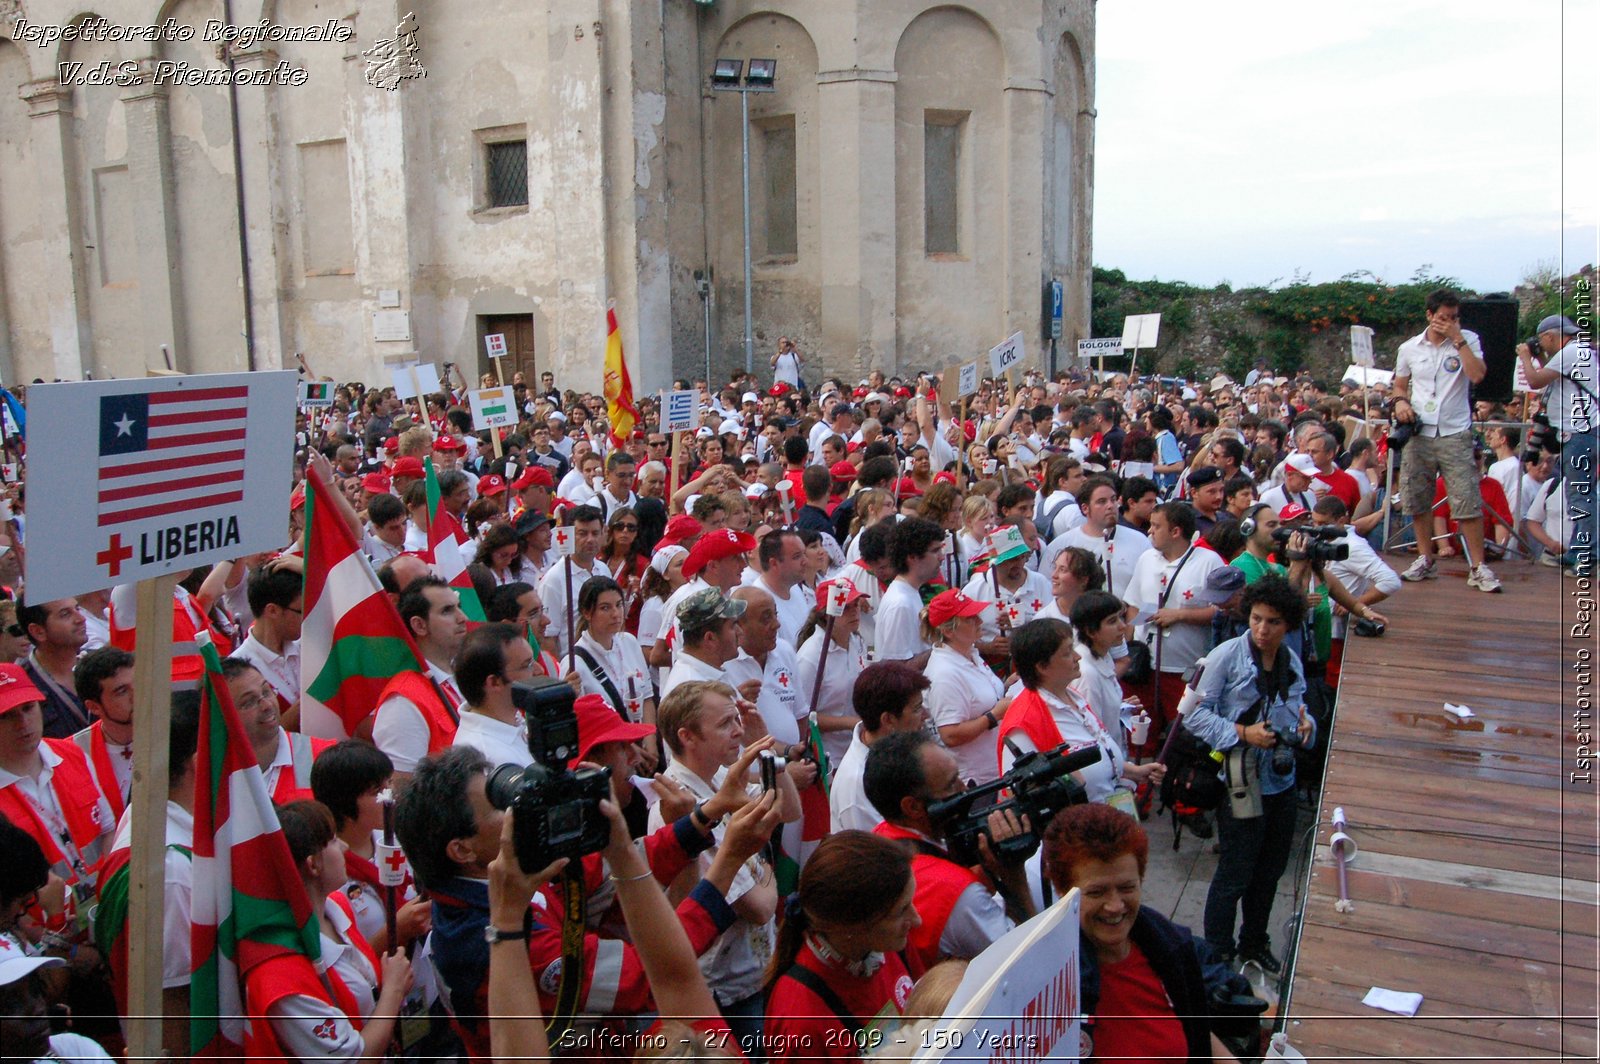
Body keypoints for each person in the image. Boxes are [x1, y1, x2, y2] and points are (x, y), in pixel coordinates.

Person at [651, 680, 803, 1052]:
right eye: (725, 724)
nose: (738, 730)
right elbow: (758, 907)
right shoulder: (677, 809)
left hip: (754, 971)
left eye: (737, 719)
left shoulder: (721, 777)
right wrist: (765, 861)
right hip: (726, 989)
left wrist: (767, 749)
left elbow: (790, 810)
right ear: (687, 736)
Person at [1041, 804, 1244, 1062]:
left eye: (1127, 887)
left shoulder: (1171, 949)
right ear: (1062, 891)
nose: (1115, 905)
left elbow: (1195, 1030)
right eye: (1096, 892)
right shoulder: (1049, 983)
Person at [1183, 576, 1313, 973]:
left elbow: (1300, 707)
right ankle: (1218, 953)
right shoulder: (1226, 655)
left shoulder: (1290, 659)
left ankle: (1254, 942)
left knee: (1270, 871)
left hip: (1280, 781)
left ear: (1287, 624)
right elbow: (1192, 714)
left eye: (1272, 622)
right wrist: (1242, 733)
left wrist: (1306, 729)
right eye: (1256, 619)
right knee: (1234, 873)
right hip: (1238, 779)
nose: (1262, 629)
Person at [241, 800, 413, 1063]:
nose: (344, 847)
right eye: (332, 840)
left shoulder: (336, 907)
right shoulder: (278, 979)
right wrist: (394, 990)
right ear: (313, 865)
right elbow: (353, 1059)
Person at [865, 730, 1035, 969]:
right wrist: (1013, 877)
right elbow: (1027, 961)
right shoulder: (957, 895)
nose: (965, 789)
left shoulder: (883, 837)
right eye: (951, 785)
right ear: (913, 807)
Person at [763, 831, 919, 1061]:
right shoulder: (801, 1021)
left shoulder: (888, 944)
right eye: (901, 911)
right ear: (850, 927)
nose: (917, 920)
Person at [1391, 288, 1500, 591]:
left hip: (1455, 431)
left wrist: (1458, 339)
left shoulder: (1468, 339)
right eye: (1442, 318)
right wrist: (1400, 403)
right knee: (1417, 497)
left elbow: (1477, 375)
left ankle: (1478, 566)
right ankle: (1425, 558)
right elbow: (1399, 385)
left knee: (1466, 499)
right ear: (1429, 316)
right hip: (1420, 430)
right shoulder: (1409, 348)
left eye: (1454, 317)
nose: (1449, 322)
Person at [998, 619, 1162, 808]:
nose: (1077, 657)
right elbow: (1016, 795)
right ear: (1042, 666)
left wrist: (1133, 771)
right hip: (1076, 830)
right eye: (1067, 653)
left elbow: (1098, 749)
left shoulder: (1072, 695)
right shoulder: (1024, 721)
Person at [309, 740, 429, 956]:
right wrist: (397, 929)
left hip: (421, 977)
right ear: (344, 803)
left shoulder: (398, 836)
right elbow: (345, 962)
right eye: (377, 791)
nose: (390, 796)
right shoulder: (328, 872)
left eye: (389, 784)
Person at [1125, 502, 1223, 755]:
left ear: (1176, 531)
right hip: (1145, 667)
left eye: (1156, 526)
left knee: (1186, 734)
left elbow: (1220, 610)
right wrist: (1130, 645)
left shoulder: (1208, 561)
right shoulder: (1146, 558)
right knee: (1140, 732)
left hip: (1183, 668)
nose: (1149, 532)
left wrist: (1179, 615)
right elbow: (1132, 604)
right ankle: (1140, 786)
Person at [1517, 314, 1597, 573]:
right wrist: (1539, 359)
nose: (1541, 345)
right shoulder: (1579, 351)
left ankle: (1586, 557)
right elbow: (1551, 375)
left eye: (1542, 340)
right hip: (1587, 432)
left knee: (1580, 496)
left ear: (1551, 336)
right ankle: (1579, 551)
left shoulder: (1571, 351)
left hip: (1581, 433)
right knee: (1583, 495)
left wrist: (1526, 358)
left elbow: (1536, 380)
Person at [371, 576, 468, 779]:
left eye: (459, 607)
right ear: (419, 625)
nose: (463, 617)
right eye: (447, 611)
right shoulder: (402, 702)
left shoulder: (467, 675)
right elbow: (402, 789)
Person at [829, 662, 931, 833]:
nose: (926, 716)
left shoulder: (897, 750)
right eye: (917, 709)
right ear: (888, 720)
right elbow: (886, 852)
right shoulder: (856, 787)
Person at [922, 589, 1008, 786]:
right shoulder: (944, 674)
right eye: (970, 618)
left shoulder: (970, 653)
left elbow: (978, 697)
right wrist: (994, 715)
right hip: (975, 780)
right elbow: (950, 734)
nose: (979, 621)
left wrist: (1008, 685)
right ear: (948, 630)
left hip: (994, 769)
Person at [794, 579, 872, 766]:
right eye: (846, 607)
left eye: (856, 605)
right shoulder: (811, 656)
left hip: (856, 747)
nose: (854, 612)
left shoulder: (856, 641)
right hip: (829, 757)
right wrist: (849, 722)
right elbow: (803, 718)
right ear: (827, 614)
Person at [1042, 475, 1151, 599]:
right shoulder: (1061, 545)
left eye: (1113, 499)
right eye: (1102, 501)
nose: (1110, 506)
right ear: (1085, 508)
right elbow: (1046, 588)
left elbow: (1149, 585)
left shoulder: (1140, 541)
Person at [70, 647, 136, 823]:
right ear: (94, 707)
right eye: (122, 691)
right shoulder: (73, 753)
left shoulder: (174, 733)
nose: (136, 695)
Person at [536, 505, 611, 659]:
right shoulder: (554, 580)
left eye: (595, 533)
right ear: (569, 535)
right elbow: (547, 638)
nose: (590, 539)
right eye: (582, 533)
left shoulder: (603, 570)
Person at [16, 597, 91, 739]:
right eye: (65, 614)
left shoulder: (101, 666)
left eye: (77, 609)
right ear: (38, 631)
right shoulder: (22, 686)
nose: (81, 619)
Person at [876, 517, 947, 662]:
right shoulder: (900, 604)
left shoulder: (909, 593)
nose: (941, 557)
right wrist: (944, 646)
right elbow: (897, 669)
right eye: (935, 551)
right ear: (912, 557)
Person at [660, 588, 749, 700]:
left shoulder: (706, 672)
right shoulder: (694, 693)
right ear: (710, 639)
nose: (740, 632)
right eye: (733, 626)